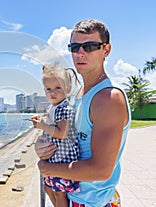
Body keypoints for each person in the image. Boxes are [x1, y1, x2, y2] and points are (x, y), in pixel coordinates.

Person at [35, 19, 131, 207]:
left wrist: (47, 167)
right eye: (75, 47)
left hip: (92, 201)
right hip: (76, 196)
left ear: (106, 50)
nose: (80, 53)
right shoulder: (76, 94)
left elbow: (101, 170)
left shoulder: (108, 98)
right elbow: (66, 135)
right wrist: (41, 146)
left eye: (90, 46)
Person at [30, 64, 80, 207]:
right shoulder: (54, 107)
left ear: (68, 88)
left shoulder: (64, 108)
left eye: (58, 88)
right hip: (55, 159)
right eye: (48, 89)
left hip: (63, 160)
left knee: (59, 194)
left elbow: (62, 133)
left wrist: (42, 126)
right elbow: (51, 121)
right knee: (48, 188)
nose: (52, 92)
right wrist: (41, 120)